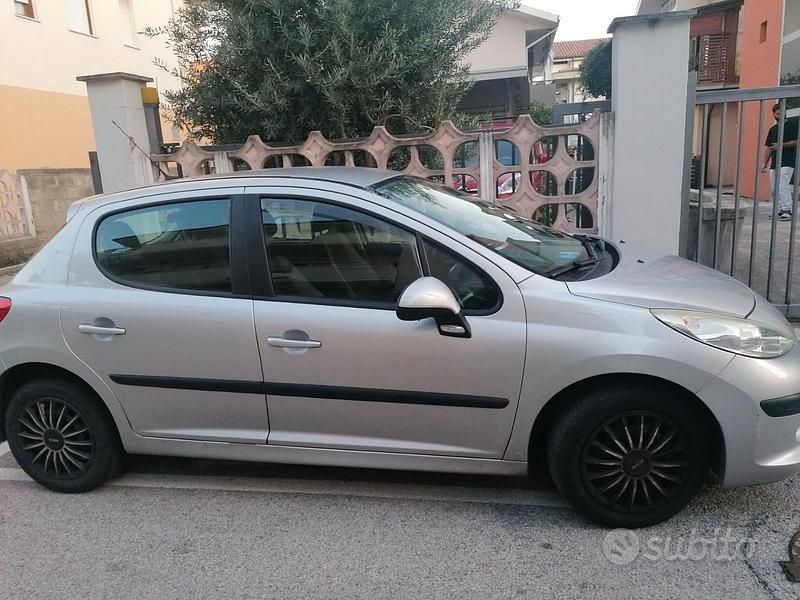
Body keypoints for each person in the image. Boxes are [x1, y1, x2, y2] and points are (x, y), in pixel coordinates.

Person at [762, 104, 799, 221]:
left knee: (783, 185)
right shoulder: (772, 129)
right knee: (774, 188)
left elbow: (797, 142)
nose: (780, 115)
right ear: (773, 114)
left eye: (782, 113)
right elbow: (768, 148)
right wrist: (764, 163)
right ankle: (779, 210)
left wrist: (780, 146)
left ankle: (787, 210)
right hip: (775, 162)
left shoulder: (791, 126)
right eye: (778, 113)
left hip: (788, 161)